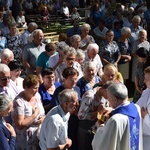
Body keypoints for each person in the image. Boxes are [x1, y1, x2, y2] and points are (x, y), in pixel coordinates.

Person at [92, 82, 143, 150]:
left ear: (115, 99)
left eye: (109, 99)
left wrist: (100, 127)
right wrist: (113, 110)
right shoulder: (137, 108)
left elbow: (104, 145)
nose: (108, 102)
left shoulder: (115, 120)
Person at [12, 74, 45, 150]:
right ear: (26, 87)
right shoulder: (19, 102)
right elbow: (19, 125)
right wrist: (35, 115)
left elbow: (43, 113)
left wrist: (42, 118)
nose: (37, 90)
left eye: (38, 88)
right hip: (24, 141)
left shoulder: (37, 96)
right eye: (34, 88)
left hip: (37, 137)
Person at [77, 81, 110, 150]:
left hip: (97, 129)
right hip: (86, 130)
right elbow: (80, 115)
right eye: (110, 95)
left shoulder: (104, 96)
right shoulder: (90, 97)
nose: (110, 98)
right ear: (105, 90)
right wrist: (97, 112)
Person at [137, 66, 150, 150]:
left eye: (147, 79)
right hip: (142, 135)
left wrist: (145, 116)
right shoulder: (146, 91)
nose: (144, 81)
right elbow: (137, 106)